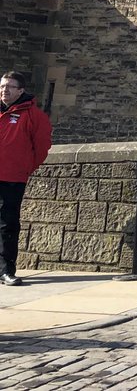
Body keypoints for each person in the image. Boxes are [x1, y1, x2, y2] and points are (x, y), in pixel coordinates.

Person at [0, 71, 52, 286]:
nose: (4, 90)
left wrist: (24, 168)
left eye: (10, 86)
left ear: (21, 90)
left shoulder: (33, 115)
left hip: (12, 177)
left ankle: (5, 270)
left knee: (7, 225)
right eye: (2, 86)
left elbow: (41, 147)